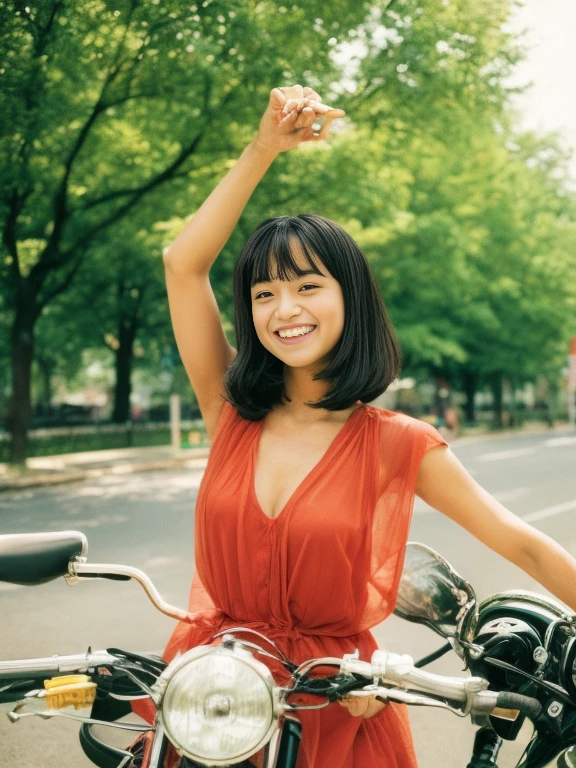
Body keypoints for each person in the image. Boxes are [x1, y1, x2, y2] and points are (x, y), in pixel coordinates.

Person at [132, 85, 576, 767]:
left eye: (308, 285)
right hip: (212, 704)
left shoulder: (397, 442)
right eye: (264, 293)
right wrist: (263, 150)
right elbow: (181, 263)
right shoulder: (230, 412)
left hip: (340, 706)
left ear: (350, 297)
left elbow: (525, 547)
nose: (286, 308)